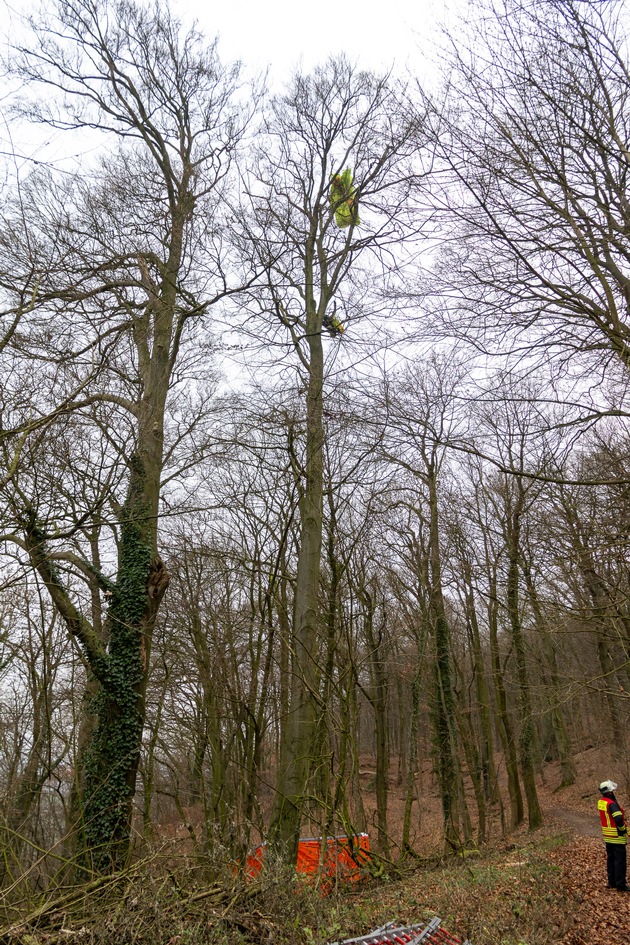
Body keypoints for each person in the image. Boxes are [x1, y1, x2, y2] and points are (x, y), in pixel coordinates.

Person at [598, 779, 628, 891]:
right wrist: (623, 829)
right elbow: (619, 819)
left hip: (607, 837)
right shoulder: (612, 804)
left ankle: (612, 882)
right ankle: (620, 885)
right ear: (610, 792)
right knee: (620, 861)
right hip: (617, 837)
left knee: (610, 860)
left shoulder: (601, 802)